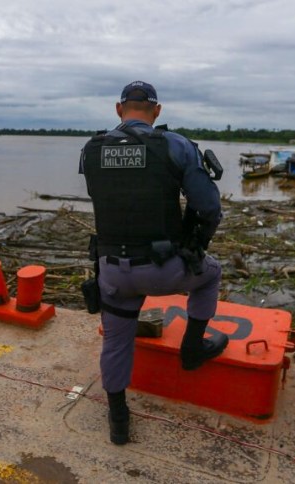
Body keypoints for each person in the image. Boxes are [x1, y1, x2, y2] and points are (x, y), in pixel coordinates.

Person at [79, 81, 226, 445]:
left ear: (118, 109)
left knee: (115, 343)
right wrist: (196, 246)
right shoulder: (175, 145)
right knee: (211, 276)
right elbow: (209, 207)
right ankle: (193, 349)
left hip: (112, 271)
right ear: (157, 111)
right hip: (164, 269)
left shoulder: (92, 149)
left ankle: (118, 419)